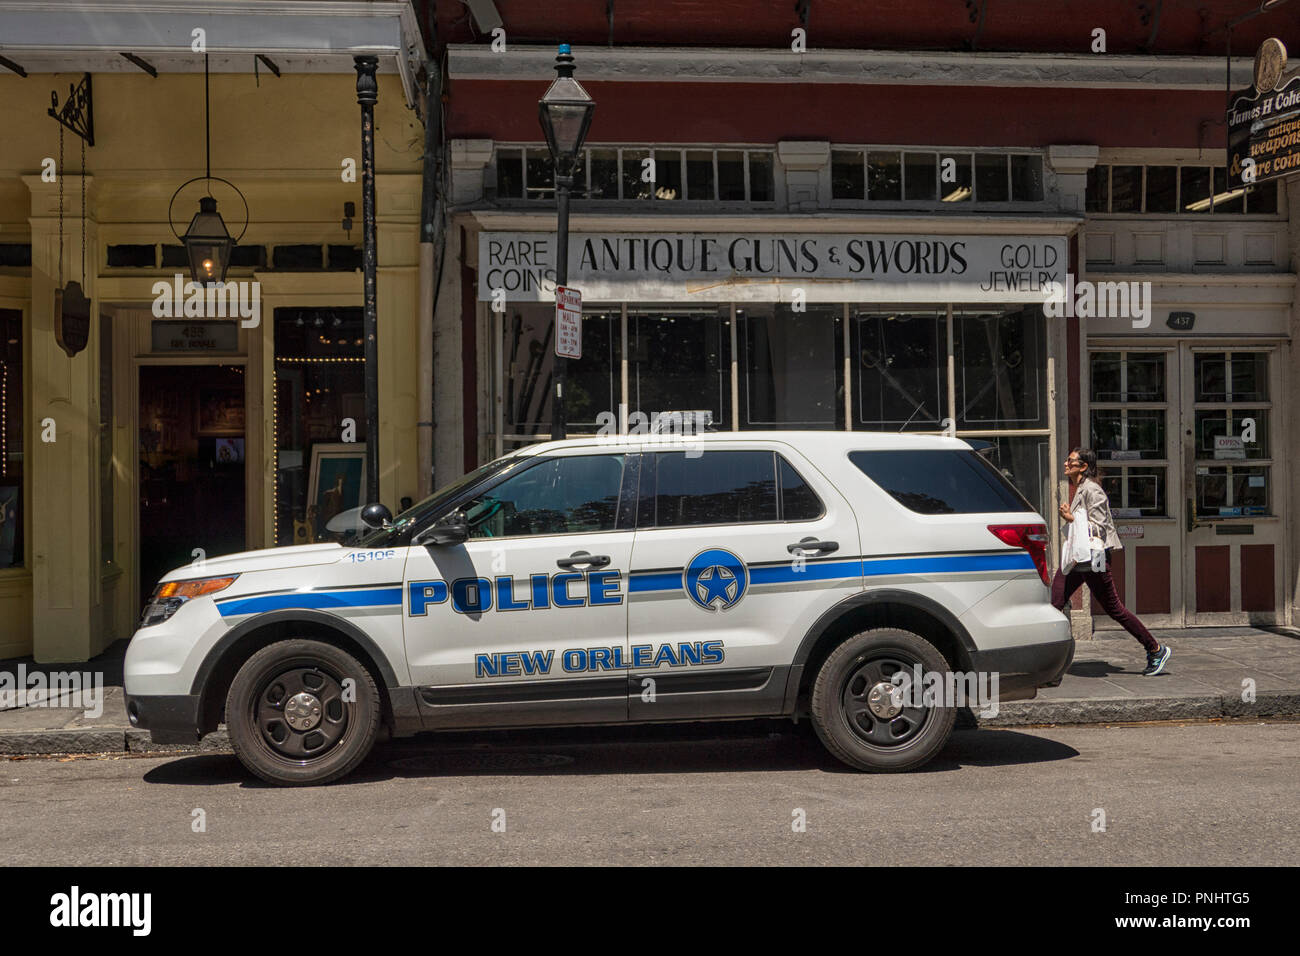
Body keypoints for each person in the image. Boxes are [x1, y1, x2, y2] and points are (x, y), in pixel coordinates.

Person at [1053, 448, 1171, 676]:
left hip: (1094, 560)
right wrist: (1072, 518)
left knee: (1115, 609)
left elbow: (1099, 527)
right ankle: (1049, 662)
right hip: (1079, 559)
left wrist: (1070, 517)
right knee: (1056, 601)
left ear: (1084, 466)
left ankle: (1156, 649)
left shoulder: (1092, 490)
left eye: (1070, 461)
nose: (1066, 464)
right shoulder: (1080, 489)